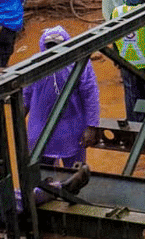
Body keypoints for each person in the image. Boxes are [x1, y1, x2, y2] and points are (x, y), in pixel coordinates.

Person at [23, 26, 100, 167]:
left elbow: (90, 94)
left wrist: (92, 126)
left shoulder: (79, 63)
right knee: (44, 178)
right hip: (42, 133)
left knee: (74, 176)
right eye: (49, 45)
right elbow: (25, 96)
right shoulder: (34, 65)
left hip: (72, 131)